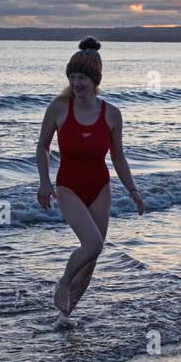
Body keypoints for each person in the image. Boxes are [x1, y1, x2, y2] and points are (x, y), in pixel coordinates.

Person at [36, 38, 146, 317]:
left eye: (82, 77)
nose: (76, 83)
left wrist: (132, 189)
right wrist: (45, 183)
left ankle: (64, 319)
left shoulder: (111, 114)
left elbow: (118, 157)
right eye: (72, 77)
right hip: (68, 187)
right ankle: (62, 284)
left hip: (100, 187)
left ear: (95, 80)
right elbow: (43, 146)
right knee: (93, 243)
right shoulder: (59, 108)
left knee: (91, 261)